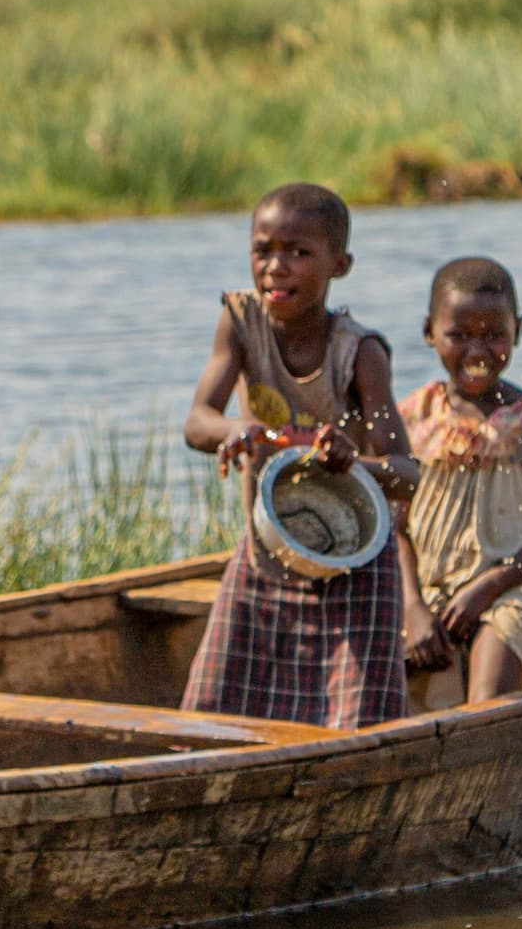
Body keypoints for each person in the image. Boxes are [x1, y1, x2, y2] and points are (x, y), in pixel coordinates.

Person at [178, 182, 419, 729]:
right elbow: (197, 421)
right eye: (263, 251)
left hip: (356, 563)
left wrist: (353, 463)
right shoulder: (240, 325)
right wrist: (235, 429)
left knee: (356, 727)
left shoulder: (359, 354)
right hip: (268, 550)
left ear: (340, 264)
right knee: (211, 715)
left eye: (298, 253)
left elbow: (406, 473)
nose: (276, 267)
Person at [397, 258, 522, 704]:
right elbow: (394, 528)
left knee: (486, 700)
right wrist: (412, 605)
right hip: (430, 594)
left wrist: (490, 585)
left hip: (510, 591)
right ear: (429, 333)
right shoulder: (415, 417)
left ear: (517, 331)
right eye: (459, 335)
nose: (477, 351)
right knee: (385, 686)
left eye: (494, 335)